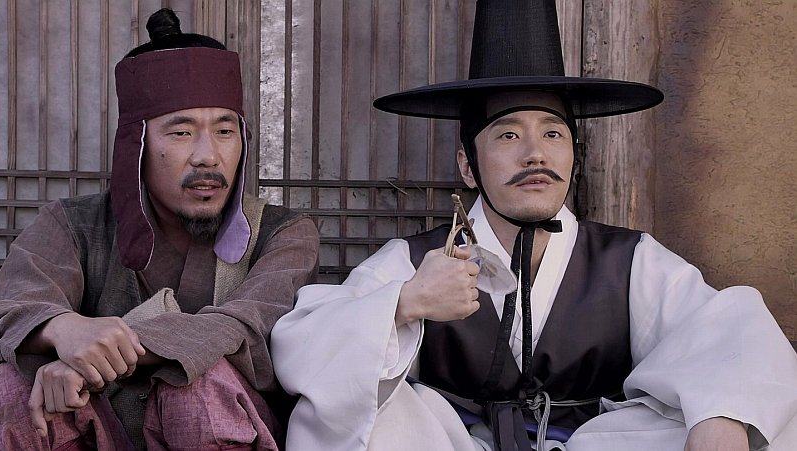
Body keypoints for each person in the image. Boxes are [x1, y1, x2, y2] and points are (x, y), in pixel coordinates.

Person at [270, 1, 797, 450]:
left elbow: (728, 335)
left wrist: (722, 414)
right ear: (467, 165)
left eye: (552, 134)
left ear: (572, 154)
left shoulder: (628, 260)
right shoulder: (415, 262)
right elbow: (305, 349)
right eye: (507, 135)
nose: (534, 154)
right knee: (354, 413)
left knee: (736, 405)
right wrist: (405, 302)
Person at [0, 8, 319, 451]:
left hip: (220, 426)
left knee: (197, 386)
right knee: (17, 387)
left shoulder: (283, 233)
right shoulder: (73, 224)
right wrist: (62, 329)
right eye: (181, 133)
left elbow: (245, 326)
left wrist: (95, 357)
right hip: (101, 428)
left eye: (225, 131)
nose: (208, 156)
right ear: (135, 145)